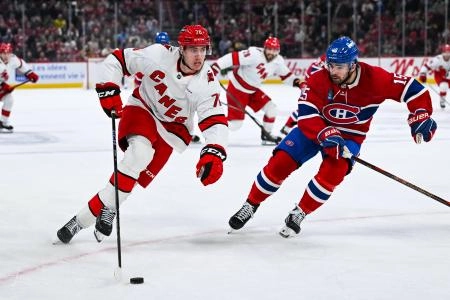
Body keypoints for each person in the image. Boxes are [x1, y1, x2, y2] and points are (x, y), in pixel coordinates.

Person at [228, 36, 437, 238]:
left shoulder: (376, 79)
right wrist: (325, 132)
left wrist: (420, 115)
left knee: (333, 173)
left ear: (353, 64)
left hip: (350, 137)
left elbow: (414, 90)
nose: (332, 71)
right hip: (314, 129)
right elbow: (306, 112)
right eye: (330, 65)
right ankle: (250, 204)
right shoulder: (319, 77)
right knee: (280, 163)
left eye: (339, 66)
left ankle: (300, 212)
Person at [56, 25, 228, 244]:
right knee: (139, 155)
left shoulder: (208, 82)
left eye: (203, 49)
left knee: (133, 176)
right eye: (193, 49)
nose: (199, 56)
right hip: (143, 109)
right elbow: (118, 59)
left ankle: (98, 212)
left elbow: (213, 119)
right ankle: (85, 219)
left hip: (173, 131)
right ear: (181, 49)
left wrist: (214, 150)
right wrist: (108, 87)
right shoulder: (158, 55)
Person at [210, 37, 302, 145]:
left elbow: (287, 76)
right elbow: (233, 57)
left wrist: (298, 82)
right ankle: (211, 124)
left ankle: (266, 135)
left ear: (278, 51)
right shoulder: (254, 54)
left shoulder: (278, 62)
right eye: (269, 49)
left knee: (271, 109)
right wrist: (216, 66)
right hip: (237, 89)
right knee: (235, 125)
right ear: (265, 48)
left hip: (253, 91)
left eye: (274, 50)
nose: (271, 52)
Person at [279, 54, 327, 136]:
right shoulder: (328, 59)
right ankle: (287, 126)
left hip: (311, 81)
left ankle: (287, 126)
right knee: (308, 107)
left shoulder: (327, 57)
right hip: (312, 83)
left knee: (311, 107)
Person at [0, 42, 39, 132]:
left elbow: (21, 64)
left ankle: (3, 123)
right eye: (4, 53)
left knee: (9, 100)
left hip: (2, 86)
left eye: (8, 53)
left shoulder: (13, 59)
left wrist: (30, 73)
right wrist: (4, 86)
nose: (7, 55)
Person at [419, 44, 450, 109]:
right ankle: (442, 101)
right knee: (443, 86)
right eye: (445, 52)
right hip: (439, 76)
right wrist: (423, 74)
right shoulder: (437, 59)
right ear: (442, 53)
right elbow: (426, 66)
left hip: (448, 75)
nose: (447, 54)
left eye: (448, 52)